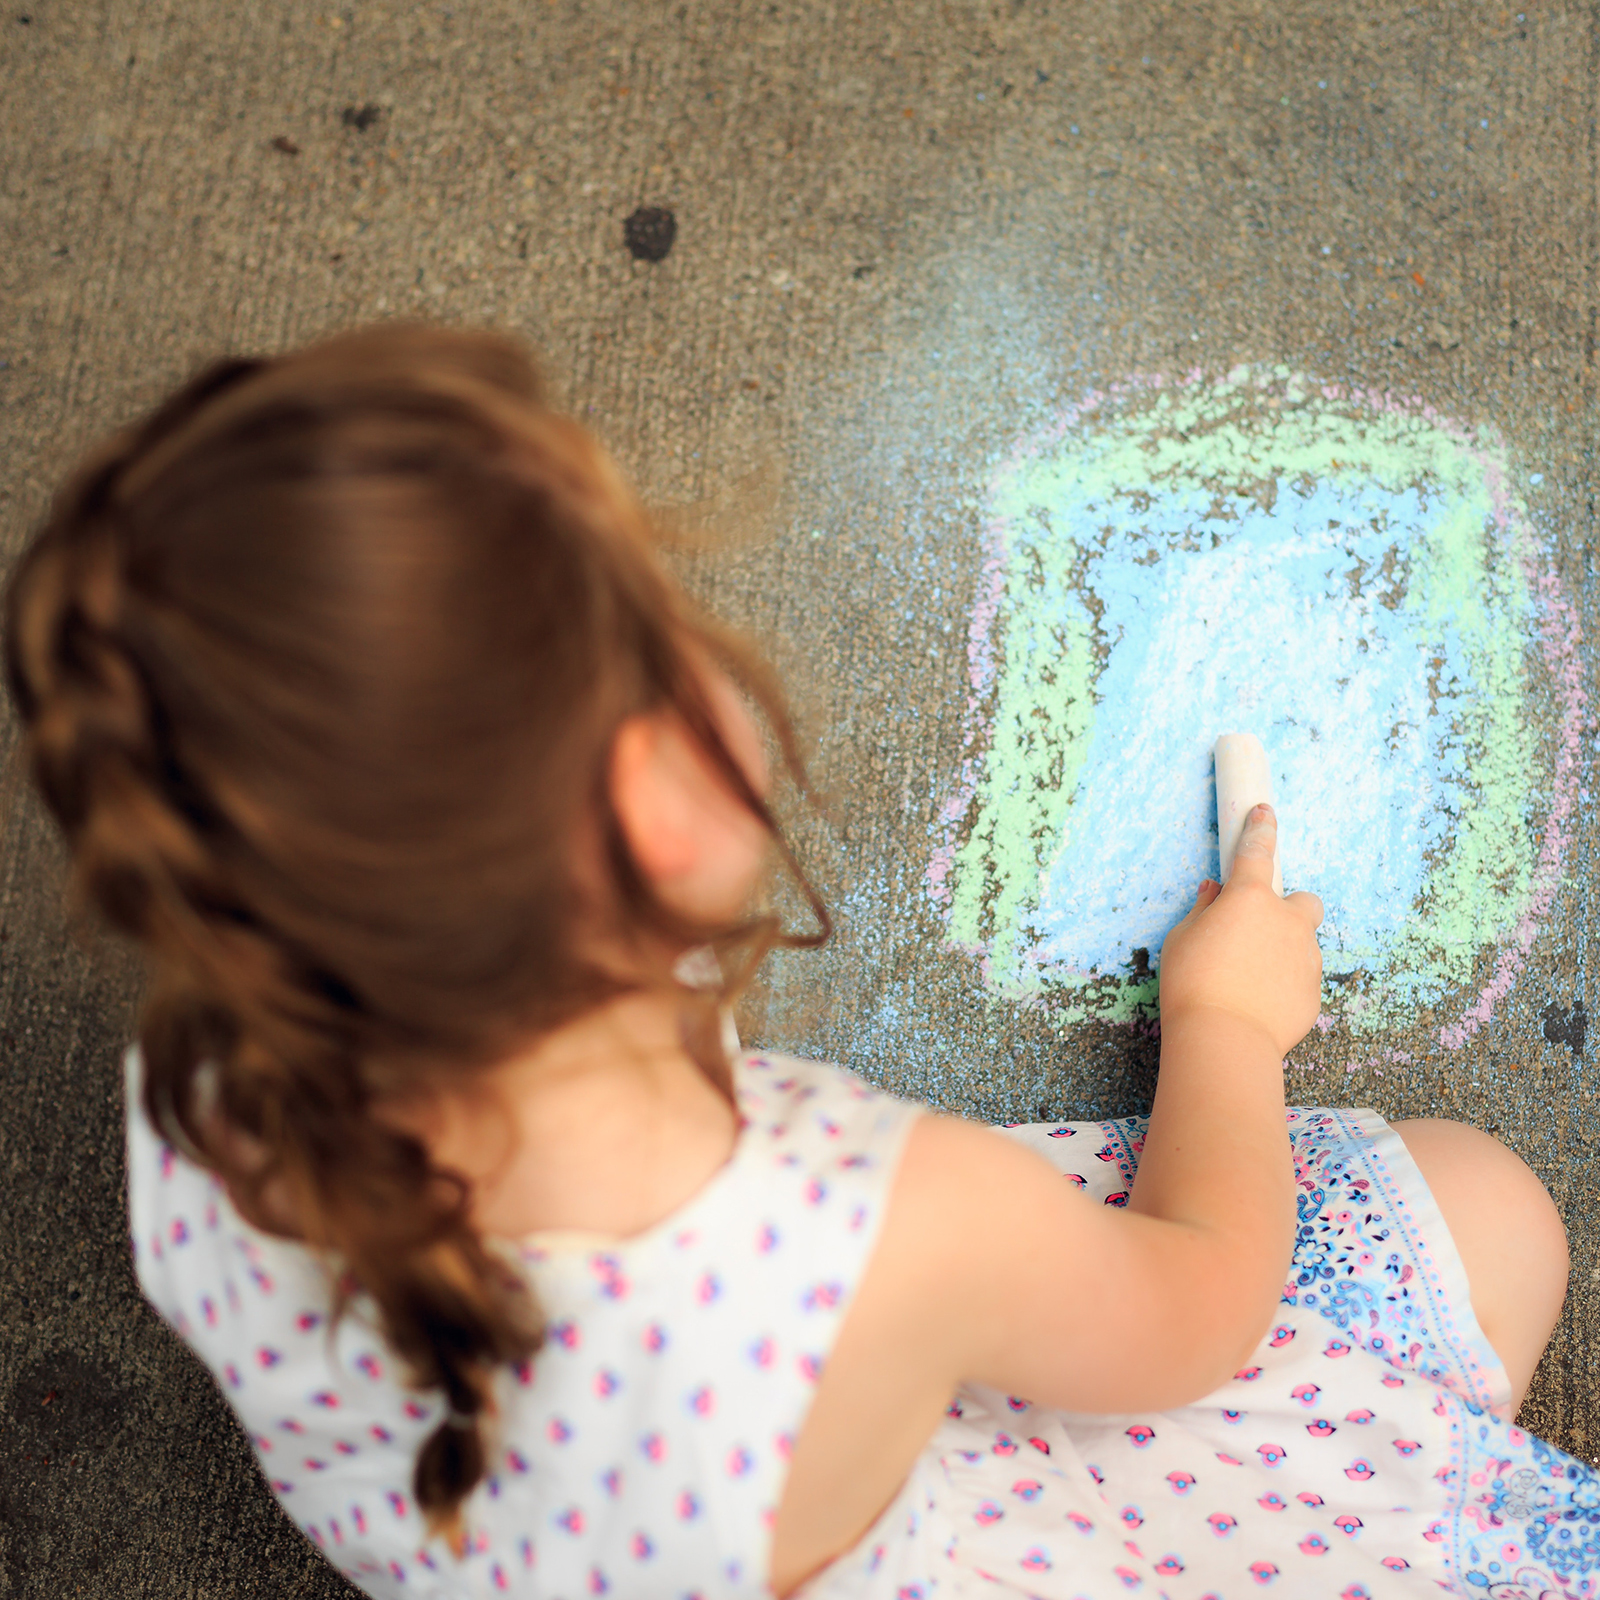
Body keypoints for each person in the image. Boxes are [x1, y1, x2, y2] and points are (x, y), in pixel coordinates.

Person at [2, 322, 1582, 1600]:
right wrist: (1227, 1023)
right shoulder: (862, 1223)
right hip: (919, 1510)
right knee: (1493, 1220)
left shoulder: (206, 1086)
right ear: (666, 803)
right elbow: (1198, 1317)